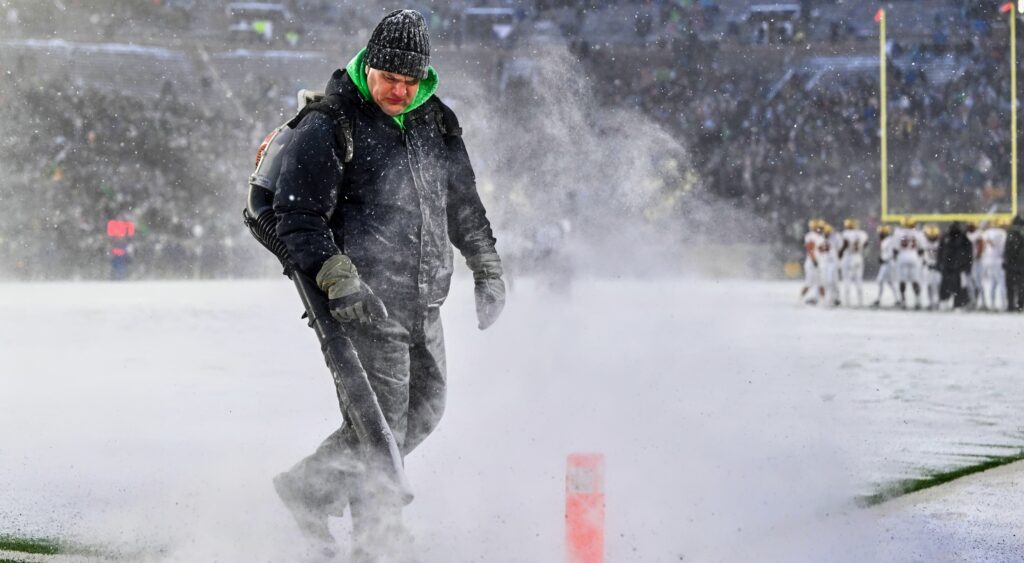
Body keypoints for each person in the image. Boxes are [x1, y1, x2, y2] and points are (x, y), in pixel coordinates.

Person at [269, 10, 506, 560]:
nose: (400, 89)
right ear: (368, 65)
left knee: (426, 410)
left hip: (424, 301)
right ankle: (378, 542)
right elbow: (296, 216)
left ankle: (309, 490)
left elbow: (462, 204)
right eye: (389, 77)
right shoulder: (331, 124)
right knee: (381, 431)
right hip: (363, 307)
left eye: (410, 79)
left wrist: (486, 266)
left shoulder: (437, 120)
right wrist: (340, 279)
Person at [937, 221, 972, 309]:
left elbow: (968, 252)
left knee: (958, 286)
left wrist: (967, 264)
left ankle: (958, 303)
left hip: (957, 265)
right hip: (949, 264)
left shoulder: (962, 237)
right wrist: (939, 262)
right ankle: (945, 301)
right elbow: (940, 251)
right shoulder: (946, 237)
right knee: (946, 285)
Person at [893, 217, 925, 309]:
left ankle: (903, 301)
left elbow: (895, 249)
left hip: (902, 256)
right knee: (915, 281)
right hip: (913, 257)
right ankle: (918, 301)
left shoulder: (898, 233)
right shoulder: (918, 233)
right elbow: (921, 249)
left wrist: (895, 259)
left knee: (902, 281)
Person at [838, 218, 868, 306]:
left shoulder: (845, 234)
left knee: (847, 281)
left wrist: (839, 254)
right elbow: (866, 244)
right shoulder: (862, 233)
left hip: (848, 257)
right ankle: (860, 302)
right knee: (859, 281)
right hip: (858, 257)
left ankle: (847, 302)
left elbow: (845, 245)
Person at [981, 218, 1008, 311]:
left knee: (992, 283)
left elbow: (984, 245)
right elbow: (1004, 248)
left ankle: (992, 304)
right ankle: (1003, 304)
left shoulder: (987, 232)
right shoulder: (1003, 233)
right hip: (999, 260)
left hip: (989, 261)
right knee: (1002, 284)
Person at [873, 224, 899, 307]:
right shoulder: (886, 240)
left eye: (881, 233)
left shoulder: (889, 240)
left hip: (888, 263)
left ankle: (878, 299)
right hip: (887, 263)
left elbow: (892, 252)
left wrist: (884, 259)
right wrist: (882, 257)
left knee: (880, 280)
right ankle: (897, 299)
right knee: (890, 282)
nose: (879, 234)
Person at [800, 218, 824, 304]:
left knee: (821, 282)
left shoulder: (820, 236)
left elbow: (820, 249)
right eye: (820, 227)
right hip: (812, 262)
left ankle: (822, 300)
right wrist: (814, 260)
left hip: (818, 261)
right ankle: (800, 299)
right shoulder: (811, 235)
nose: (821, 228)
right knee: (809, 282)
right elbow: (810, 249)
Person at [1003, 215, 1024, 312]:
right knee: (1021, 286)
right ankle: (1020, 305)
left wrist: (1006, 261)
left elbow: (1007, 250)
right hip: (1021, 265)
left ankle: (1011, 305)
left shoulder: (1010, 234)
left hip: (1011, 265)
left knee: (1010, 286)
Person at [921, 224, 941, 309]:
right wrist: (926, 262)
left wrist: (938, 264)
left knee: (937, 286)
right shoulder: (925, 243)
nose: (932, 237)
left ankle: (937, 302)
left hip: (937, 267)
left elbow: (942, 256)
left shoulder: (940, 243)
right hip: (929, 266)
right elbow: (923, 255)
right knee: (929, 285)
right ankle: (930, 302)